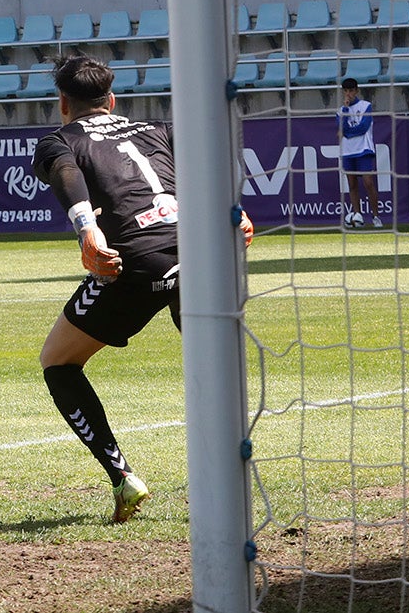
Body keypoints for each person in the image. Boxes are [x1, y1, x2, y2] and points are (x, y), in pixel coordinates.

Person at [30, 55, 252, 523]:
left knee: (58, 361)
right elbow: (208, 161)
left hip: (135, 259)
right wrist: (233, 210)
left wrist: (87, 230)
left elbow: (66, 174)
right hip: (199, 249)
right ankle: (231, 471)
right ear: (112, 100)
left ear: (63, 103)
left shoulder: (58, 140)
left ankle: (123, 478)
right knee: (207, 359)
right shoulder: (159, 129)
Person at [338, 77, 381, 228]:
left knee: (368, 182)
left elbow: (364, 127)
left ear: (357, 91)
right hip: (348, 151)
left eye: (351, 91)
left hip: (363, 149)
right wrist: (345, 109)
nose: (348, 94)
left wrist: (349, 133)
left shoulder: (366, 106)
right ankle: (358, 216)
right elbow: (342, 129)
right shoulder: (341, 111)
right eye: (346, 91)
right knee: (352, 184)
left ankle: (376, 217)